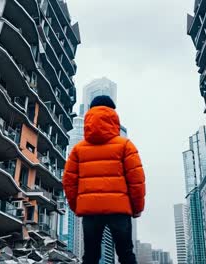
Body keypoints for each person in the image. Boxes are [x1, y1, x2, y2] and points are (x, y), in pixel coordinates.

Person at [63, 95, 146, 264]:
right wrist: (137, 208)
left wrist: (77, 206)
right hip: (120, 211)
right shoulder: (125, 146)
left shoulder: (78, 149)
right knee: (126, 254)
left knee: (91, 256)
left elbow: (69, 182)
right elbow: (136, 180)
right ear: (113, 116)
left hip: (91, 212)